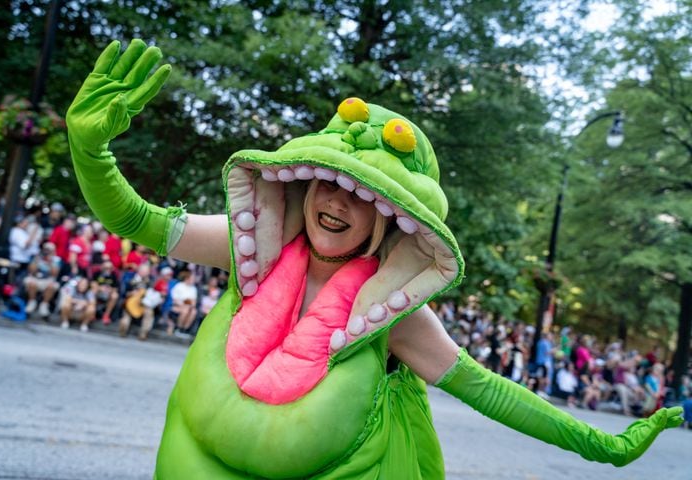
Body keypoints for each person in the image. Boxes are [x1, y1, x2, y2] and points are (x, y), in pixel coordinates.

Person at [66, 40, 683, 478]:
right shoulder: (254, 246)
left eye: (360, 196)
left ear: (388, 218)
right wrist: (91, 150)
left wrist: (603, 444)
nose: (335, 203)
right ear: (305, 186)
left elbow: (491, 392)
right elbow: (136, 220)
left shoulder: (393, 311)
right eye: (326, 183)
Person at [22, 242, 61, 318]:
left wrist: (50, 262)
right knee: (31, 283)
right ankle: (32, 302)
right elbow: (31, 271)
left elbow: (55, 274)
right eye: (46, 250)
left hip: (48, 280)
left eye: (49, 250)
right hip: (36, 278)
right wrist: (37, 261)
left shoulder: (56, 259)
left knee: (52, 286)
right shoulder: (37, 257)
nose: (47, 252)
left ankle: (44, 305)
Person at [167, 270, 198, 336]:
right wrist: (184, 305)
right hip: (177, 305)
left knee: (193, 312)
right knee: (185, 311)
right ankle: (179, 328)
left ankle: (184, 329)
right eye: (192, 279)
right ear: (187, 279)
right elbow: (175, 299)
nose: (193, 280)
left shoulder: (193, 288)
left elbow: (194, 301)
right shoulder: (179, 286)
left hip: (188, 306)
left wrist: (191, 306)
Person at [90, 259, 120, 325]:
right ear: (102, 267)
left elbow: (116, 288)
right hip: (98, 292)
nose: (108, 269)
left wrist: (110, 290)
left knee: (115, 295)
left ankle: (106, 315)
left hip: (108, 294)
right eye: (106, 268)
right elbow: (92, 284)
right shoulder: (97, 273)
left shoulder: (113, 275)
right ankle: (92, 313)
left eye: (110, 268)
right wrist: (100, 288)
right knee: (93, 291)